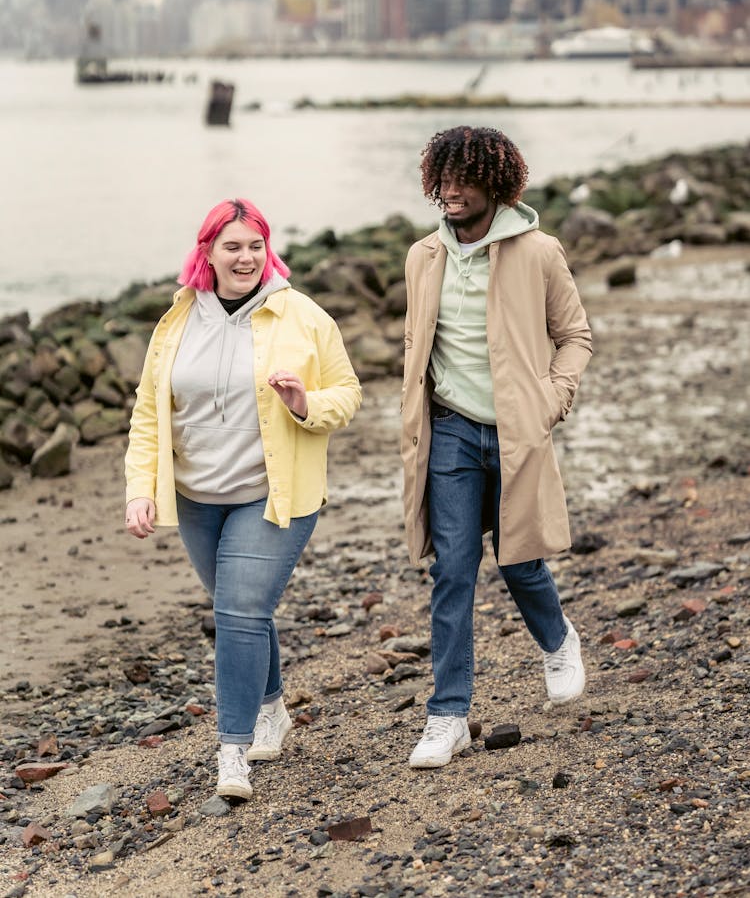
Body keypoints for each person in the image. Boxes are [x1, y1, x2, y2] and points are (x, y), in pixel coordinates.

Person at [124, 198, 361, 799]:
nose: (246, 257)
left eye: (256, 245)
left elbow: (348, 391)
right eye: (233, 246)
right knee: (243, 611)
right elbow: (149, 413)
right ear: (207, 251)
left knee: (236, 614)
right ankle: (272, 707)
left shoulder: (302, 316)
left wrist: (306, 405)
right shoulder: (176, 321)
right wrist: (141, 491)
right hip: (197, 501)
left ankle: (232, 752)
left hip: (271, 496)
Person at [401, 127, 592, 769]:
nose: (449, 192)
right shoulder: (423, 257)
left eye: (464, 180)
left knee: (519, 559)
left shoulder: (538, 252)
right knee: (452, 571)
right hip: (452, 431)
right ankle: (447, 716)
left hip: (516, 430)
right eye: (443, 180)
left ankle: (558, 641)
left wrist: (553, 399)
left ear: (495, 184)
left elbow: (575, 336)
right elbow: (419, 350)